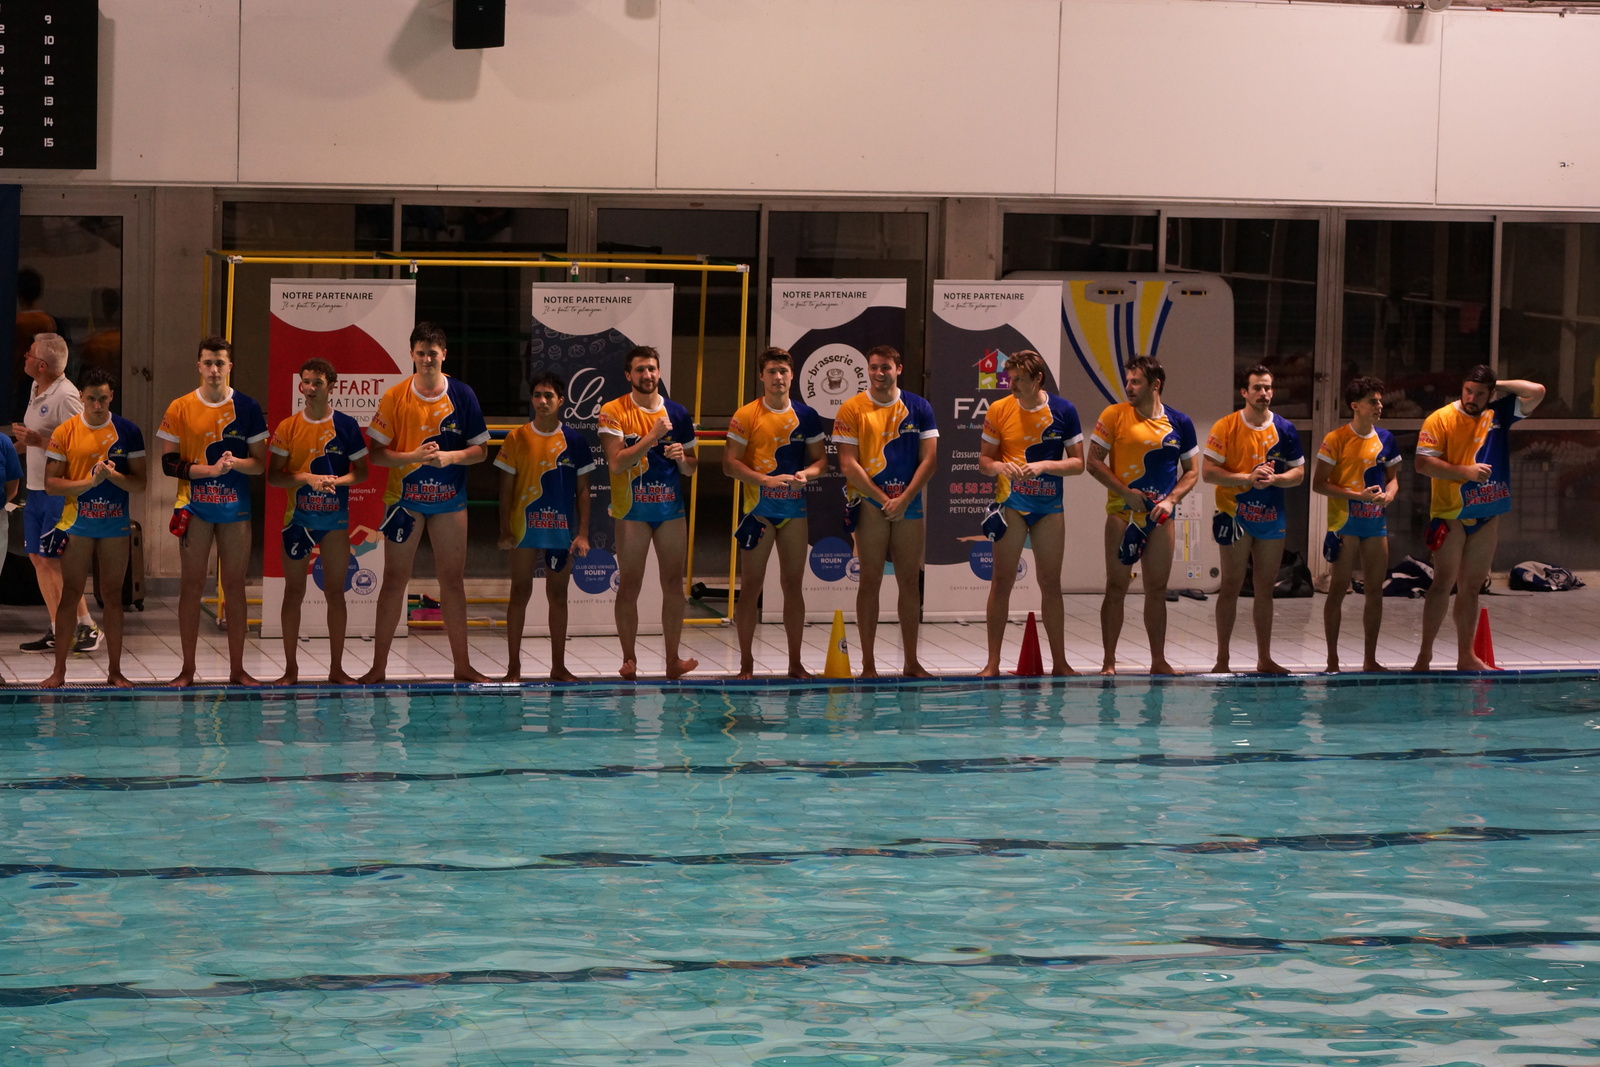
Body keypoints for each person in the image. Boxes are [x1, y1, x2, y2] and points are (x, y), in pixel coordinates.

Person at [360, 322, 491, 684]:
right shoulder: (395, 396)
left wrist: (451, 457)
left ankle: (462, 666)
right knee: (394, 580)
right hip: (404, 501)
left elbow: (481, 451)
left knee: (453, 581)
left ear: (444, 354)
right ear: (412, 355)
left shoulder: (462, 394)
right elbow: (377, 454)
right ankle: (378, 668)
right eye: (421, 353)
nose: (427, 359)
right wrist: (413, 456)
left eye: (433, 353)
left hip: (449, 501)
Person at [1413, 365, 1544, 671]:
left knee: (1472, 588)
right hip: (1451, 513)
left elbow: (1537, 391)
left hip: (1486, 513)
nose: (1472, 398)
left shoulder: (1499, 413)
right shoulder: (1440, 418)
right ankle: (1424, 656)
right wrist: (1466, 473)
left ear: (1491, 393)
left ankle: (1466, 656)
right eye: (1468, 390)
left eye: (1480, 393)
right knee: (1442, 583)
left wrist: (1499, 384)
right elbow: (1422, 464)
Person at [158, 337, 269, 685]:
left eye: (220, 363)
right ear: (199, 366)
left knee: (235, 587)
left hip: (235, 510)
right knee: (191, 586)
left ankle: (238, 669)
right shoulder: (180, 407)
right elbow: (168, 463)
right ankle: (187, 669)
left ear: (229, 366)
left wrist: (234, 463)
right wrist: (209, 471)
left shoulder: (248, 407)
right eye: (208, 362)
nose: (214, 369)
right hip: (194, 508)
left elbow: (259, 465)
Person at [1086, 356, 1198, 676]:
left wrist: (1171, 500)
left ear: (1155, 385)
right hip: (1122, 514)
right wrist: (1124, 492)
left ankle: (1158, 661)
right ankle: (1109, 662)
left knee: (1157, 590)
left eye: (1136, 381)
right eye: (1128, 381)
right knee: (1115, 586)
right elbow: (1093, 462)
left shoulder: (1180, 422)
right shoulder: (1114, 415)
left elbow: (1192, 472)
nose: (1129, 387)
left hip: (1160, 518)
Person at [975, 349, 1083, 677]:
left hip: (1049, 507)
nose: (1012, 384)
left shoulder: (1064, 410)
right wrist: (999, 467)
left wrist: (1044, 465)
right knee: (1001, 582)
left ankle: (1060, 663)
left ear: (1038, 379)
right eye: (1010, 378)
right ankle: (992, 663)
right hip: (1011, 505)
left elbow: (1078, 464)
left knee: (1050, 584)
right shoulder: (999, 409)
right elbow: (984, 462)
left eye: (1019, 378)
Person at [834, 344, 939, 678]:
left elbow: (930, 459)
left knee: (909, 581)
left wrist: (904, 499)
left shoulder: (919, 407)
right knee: (870, 581)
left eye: (885, 367)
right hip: (870, 505)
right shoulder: (852, 408)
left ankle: (912, 662)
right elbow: (848, 464)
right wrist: (883, 499)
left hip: (908, 504)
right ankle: (868, 664)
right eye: (874, 367)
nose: (879, 373)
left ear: (899, 369)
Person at [724, 347, 828, 679]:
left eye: (783, 371)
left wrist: (806, 475)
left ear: (792, 375)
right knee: (751, 587)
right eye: (771, 371)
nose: (778, 377)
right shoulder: (746, 415)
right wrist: (764, 480)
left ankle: (795, 663)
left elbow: (821, 462)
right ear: (761, 376)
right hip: (758, 511)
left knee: (793, 586)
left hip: (794, 510)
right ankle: (745, 665)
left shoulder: (806, 415)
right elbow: (729, 465)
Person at [40, 368, 147, 688]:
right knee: (70, 594)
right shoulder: (65, 431)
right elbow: (50, 485)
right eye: (91, 399)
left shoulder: (128, 431)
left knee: (112, 596)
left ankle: (115, 671)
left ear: (111, 396)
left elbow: (140, 484)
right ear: (81, 398)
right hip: (77, 525)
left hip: (114, 524)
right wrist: (91, 481)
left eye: (103, 398)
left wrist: (113, 476)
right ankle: (59, 671)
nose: (97, 405)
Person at [266, 358, 369, 685]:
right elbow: (273, 477)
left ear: (331, 386)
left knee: (336, 593)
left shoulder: (347, 426)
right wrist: (306, 478)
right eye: (306, 382)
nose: (310, 389)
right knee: (293, 592)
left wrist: (337, 482)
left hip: (335, 522)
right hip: (297, 521)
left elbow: (362, 473)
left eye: (317, 383)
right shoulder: (287, 427)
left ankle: (337, 668)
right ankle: (290, 670)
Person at [598, 345, 699, 680]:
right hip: (632, 511)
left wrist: (682, 458)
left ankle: (673, 660)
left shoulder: (678, 413)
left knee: (673, 584)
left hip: (670, 509)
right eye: (640, 369)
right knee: (630, 584)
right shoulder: (613, 410)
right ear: (628, 375)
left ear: (659, 372)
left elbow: (691, 469)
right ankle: (629, 659)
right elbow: (616, 463)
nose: (647, 375)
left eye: (652, 369)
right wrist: (652, 436)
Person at [1200, 364, 1305, 674]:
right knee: (1231, 585)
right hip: (1235, 514)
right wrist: (1247, 477)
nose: (1264, 393)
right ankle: (1222, 659)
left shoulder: (1285, 429)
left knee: (1265, 588)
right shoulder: (1226, 426)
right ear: (1244, 392)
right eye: (1257, 387)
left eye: (1268, 387)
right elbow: (1208, 473)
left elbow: (1299, 473)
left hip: (1271, 516)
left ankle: (1265, 658)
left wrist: (1275, 479)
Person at [497, 371, 594, 683]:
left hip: (559, 531)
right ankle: (513, 667)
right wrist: (505, 530)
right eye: (537, 395)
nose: (542, 401)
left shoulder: (574, 441)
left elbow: (583, 490)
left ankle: (558, 667)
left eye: (548, 395)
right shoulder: (516, 437)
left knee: (558, 595)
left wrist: (582, 533)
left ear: (561, 400)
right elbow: (506, 490)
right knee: (519, 592)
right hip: (523, 528)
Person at [12, 333, 98, 655]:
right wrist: (10, 449)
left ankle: (85, 626)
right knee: (38, 558)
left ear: (42, 365)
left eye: (29, 353)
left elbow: (83, 446)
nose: (25, 356)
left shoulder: (66, 396)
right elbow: (35, 440)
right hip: (36, 487)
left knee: (54, 560)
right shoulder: (37, 389)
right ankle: (58, 627)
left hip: (59, 491)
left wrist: (37, 441)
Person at [1313, 376, 1401, 673]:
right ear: (1355, 406)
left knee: (1375, 590)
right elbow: (1319, 484)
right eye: (1372, 402)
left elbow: (1393, 479)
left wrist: (1390, 495)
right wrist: (1356, 496)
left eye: (1379, 401)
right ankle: (1332, 660)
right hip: (1345, 523)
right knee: (1338, 589)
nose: (1379, 406)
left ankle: (1370, 659)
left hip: (1375, 523)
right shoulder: (1335, 439)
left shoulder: (1386, 439)